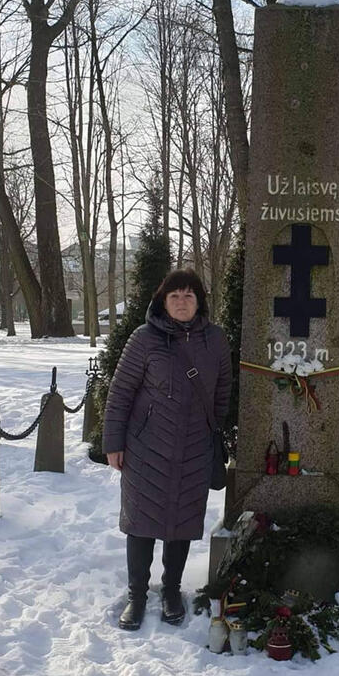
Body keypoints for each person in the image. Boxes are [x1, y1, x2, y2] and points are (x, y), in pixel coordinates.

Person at [103, 269, 231, 631]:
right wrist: (114, 443)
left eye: (189, 296)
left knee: (182, 522)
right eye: (174, 296)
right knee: (141, 524)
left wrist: (208, 433)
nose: (181, 302)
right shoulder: (143, 339)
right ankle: (137, 596)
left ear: (199, 301)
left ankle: (172, 591)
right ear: (163, 300)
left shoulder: (216, 340)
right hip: (146, 447)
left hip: (194, 448)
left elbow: (222, 392)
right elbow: (121, 392)